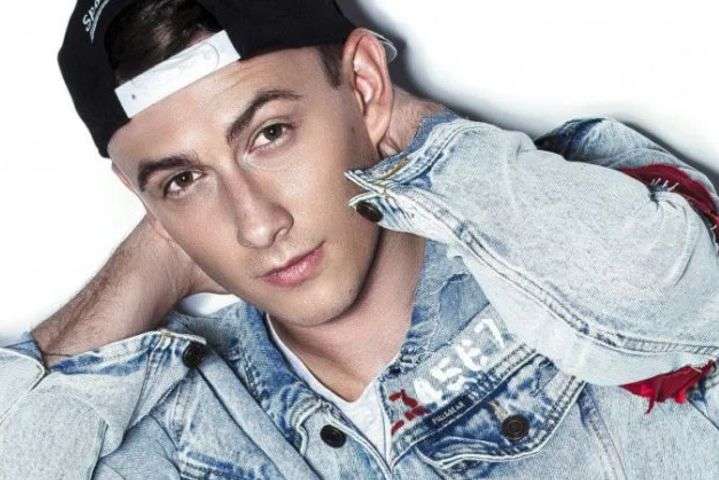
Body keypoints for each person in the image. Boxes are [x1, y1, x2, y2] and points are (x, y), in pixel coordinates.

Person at [1, 0, 718, 478]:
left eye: (269, 134)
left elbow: (680, 305)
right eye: (183, 178)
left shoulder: (570, 207)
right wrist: (151, 257)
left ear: (366, 85)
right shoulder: (187, 428)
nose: (257, 224)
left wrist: (419, 137)